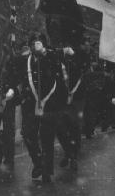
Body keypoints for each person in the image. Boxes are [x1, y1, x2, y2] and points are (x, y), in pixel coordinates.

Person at [8, 32, 71, 183]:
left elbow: (57, 59)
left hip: (49, 104)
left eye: (38, 43)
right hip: (30, 103)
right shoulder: (25, 61)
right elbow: (12, 70)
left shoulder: (50, 58)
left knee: (47, 138)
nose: (35, 45)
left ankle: (47, 171)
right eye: (33, 43)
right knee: (29, 135)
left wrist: (46, 52)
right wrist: (11, 89)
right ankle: (37, 162)